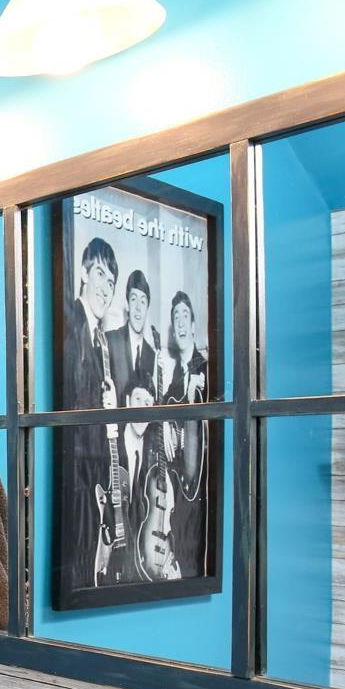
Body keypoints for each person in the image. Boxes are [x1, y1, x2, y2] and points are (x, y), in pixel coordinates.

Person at [61, 236, 121, 589]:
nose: (106, 288)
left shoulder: (99, 338)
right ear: (83, 273)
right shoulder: (72, 324)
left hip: (91, 477)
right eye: (100, 274)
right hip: (78, 475)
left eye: (111, 282)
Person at [160, 291, 209, 575]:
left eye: (185, 316)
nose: (180, 322)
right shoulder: (176, 378)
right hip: (181, 487)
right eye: (175, 316)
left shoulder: (205, 370)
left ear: (192, 326)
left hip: (199, 489)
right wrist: (166, 423)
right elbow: (163, 407)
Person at [106, 269, 159, 408]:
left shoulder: (151, 354)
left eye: (143, 301)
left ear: (147, 308)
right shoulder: (110, 340)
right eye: (134, 299)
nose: (138, 308)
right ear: (127, 304)